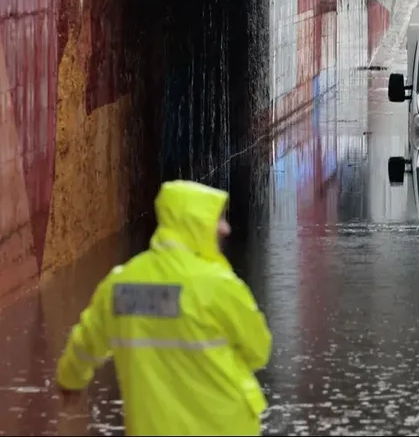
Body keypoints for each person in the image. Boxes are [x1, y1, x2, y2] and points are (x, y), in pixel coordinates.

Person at [55, 180, 273, 436]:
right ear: (195, 223)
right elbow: (259, 351)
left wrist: (71, 380)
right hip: (224, 426)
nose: (225, 228)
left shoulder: (122, 285)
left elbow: (86, 343)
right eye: (217, 218)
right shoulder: (219, 286)